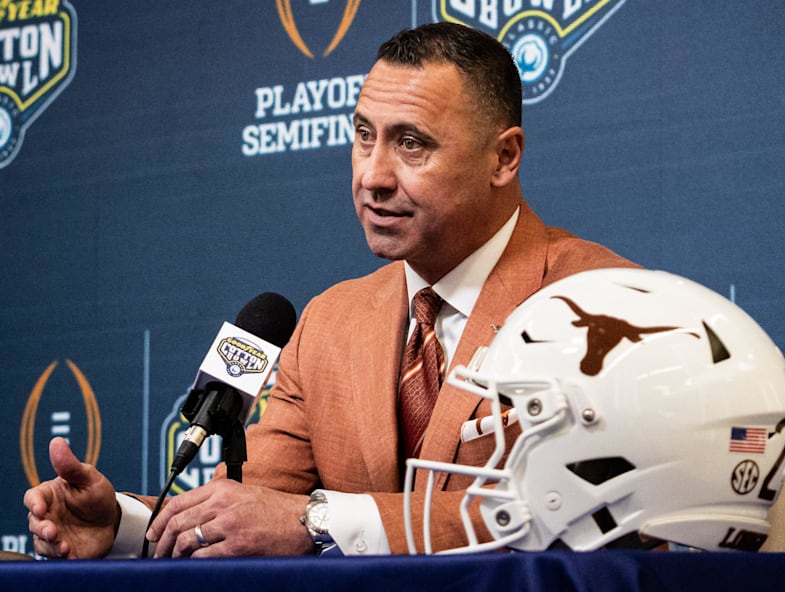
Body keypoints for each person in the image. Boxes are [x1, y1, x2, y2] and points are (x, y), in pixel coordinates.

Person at [24, 22, 634, 559]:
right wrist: (123, 525)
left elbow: (598, 513)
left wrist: (318, 521)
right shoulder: (329, 322)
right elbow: (256, 505)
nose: (372, 175)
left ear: (504, 157)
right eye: (364, 135)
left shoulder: (602, 303)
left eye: (411, 143)